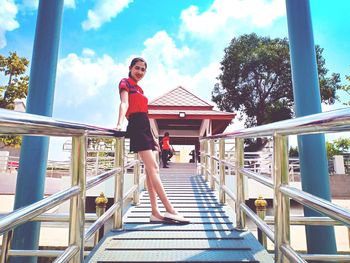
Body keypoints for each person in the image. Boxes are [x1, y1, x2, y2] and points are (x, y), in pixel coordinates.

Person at [116, 57, 189, 224]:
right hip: (135, 125)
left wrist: (154, 138)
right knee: (154, 168)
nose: (140, 72)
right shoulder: (125, 82)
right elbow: (124, 103)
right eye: (137, 68)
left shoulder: (140, 89)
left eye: (143, 69)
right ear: (130, 68)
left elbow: (145, 114)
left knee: (150, 171)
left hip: (145, 128)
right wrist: (119, 123)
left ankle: (155, 212)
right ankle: (170, 210)